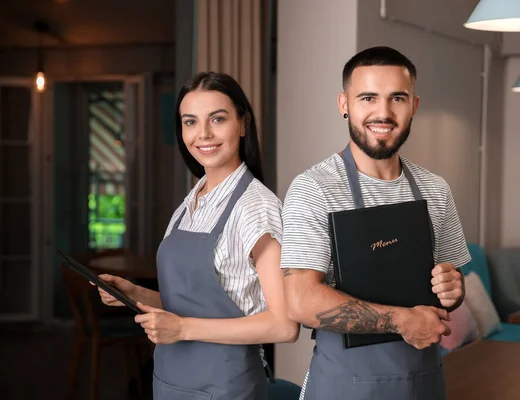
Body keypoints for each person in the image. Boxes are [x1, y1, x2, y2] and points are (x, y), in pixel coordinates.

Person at [281, 46, 471, 400]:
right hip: (344, 386)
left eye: (397, 98)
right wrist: (401, 320)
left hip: (424, 382)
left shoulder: (435, 189)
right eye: (368, 98)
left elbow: (450, 290)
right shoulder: (314, 188)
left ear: (414, 105)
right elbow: (298, 299)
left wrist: (454, 289)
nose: (383, 113)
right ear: (344, 104)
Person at [96, 71, 299, 400]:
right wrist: (136, 293)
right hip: (171, 383)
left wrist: (183, 329)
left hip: (225, 389)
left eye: (217, 119)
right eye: (190, 122)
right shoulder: (194, 199)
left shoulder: (256, 208)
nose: (202, 134)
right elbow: (193, 306)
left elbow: (284, 325)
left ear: (243, 123)